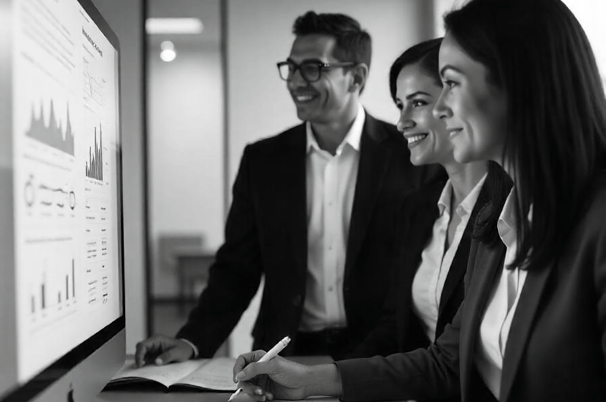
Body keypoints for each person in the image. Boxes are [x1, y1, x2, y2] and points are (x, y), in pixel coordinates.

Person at [231, 0, 606, 401]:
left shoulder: (594, 221)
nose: (440, 108)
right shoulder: (497, 218)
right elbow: (446, 362)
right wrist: (306, 381)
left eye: (451, 83)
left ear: (520, 79)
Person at [135, 11, 441, 365]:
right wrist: (191, 340)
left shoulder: (411, 155)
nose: (296, 81)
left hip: (382, 357)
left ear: (355, 77)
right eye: (290, 68)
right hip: (284, 353)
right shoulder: (263, 161)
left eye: (312, 67)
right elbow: (237, 268)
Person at [346, 39, 509, 363]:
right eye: (399, 104)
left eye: (418, 102)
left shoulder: (510, 212)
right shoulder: (417, 207)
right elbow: (396, 326)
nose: (401, 121)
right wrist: (322, 377)